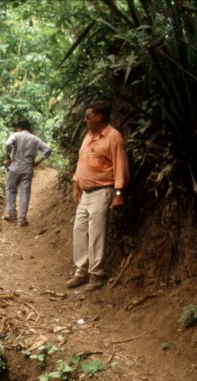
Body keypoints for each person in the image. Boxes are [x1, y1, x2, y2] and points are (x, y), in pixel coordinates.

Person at [67, 101, 129, 291]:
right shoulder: (89, 135)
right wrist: (77, 185)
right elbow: (81, 162)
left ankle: (97, 274)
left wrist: (118, 193)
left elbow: (120, 167)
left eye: (88, 116)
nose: (85, 120)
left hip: (103, 191)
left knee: (97, 233)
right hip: (86, 192)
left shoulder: (113, 137)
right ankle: (81, 271)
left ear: (99, 116)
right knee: (79, 229)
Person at [3, 119, 51, 226]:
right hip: (27, 169)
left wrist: (8, 156)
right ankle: (22, 219)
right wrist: (38, 161)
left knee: (11, 190)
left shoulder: (16, 135)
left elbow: (7, 144)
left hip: (14, 167)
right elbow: (47, 150)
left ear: (19, 128)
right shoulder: (35, 139)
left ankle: (12, 214)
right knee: (25, 193)